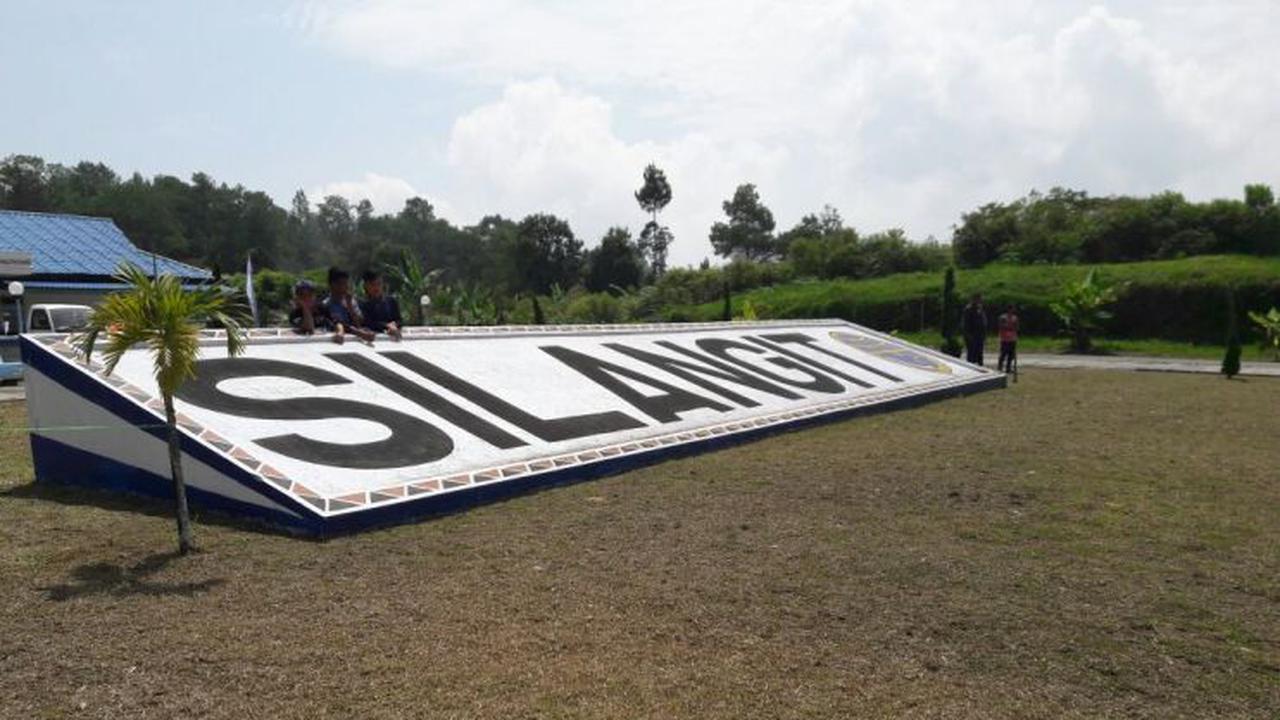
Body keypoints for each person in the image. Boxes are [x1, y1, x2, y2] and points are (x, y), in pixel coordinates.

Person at [323, 267, 377, 344]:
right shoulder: (326, 305)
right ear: (332, 285)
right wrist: (359, 333)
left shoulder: (352, 302)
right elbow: (336, 324)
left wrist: (350, 307)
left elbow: (359, 324)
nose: (345, 287)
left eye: (346, 283)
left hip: (354, 342)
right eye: (341, 283)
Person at [358, 270, 403, 340]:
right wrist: (386, 326)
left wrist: (394, 325)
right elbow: (368, 323)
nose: (376, 288)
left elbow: (399, 320)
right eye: (373, 284)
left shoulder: (391, 301)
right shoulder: (362, 304)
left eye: (379, 284)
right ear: (366, 286)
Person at [962, 293, 987, 366]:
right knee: (971, 354)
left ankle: (980, 367)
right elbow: (966, 323)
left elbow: (983, 321)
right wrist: (968, 335)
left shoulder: (980, 308)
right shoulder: (968, 309)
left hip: (980, 335)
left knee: (980, 354)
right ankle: (970, 368)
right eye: (977, 299)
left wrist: (984, 334)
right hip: (972, 335)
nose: (979, 301)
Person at [997, 304, 1020, 373]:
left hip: (1012, 338)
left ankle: (1008, 368)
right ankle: (1000, 367)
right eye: (1010, 309)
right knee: (1003, 354)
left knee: (1011, 354)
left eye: (1012, 309)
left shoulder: (1015, 318)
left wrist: (1013, 328)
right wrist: (1009, 327)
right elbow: (1001, 326)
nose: (1011, 311)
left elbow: (1017, 327)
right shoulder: (1003, 317)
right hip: (1004, 338)